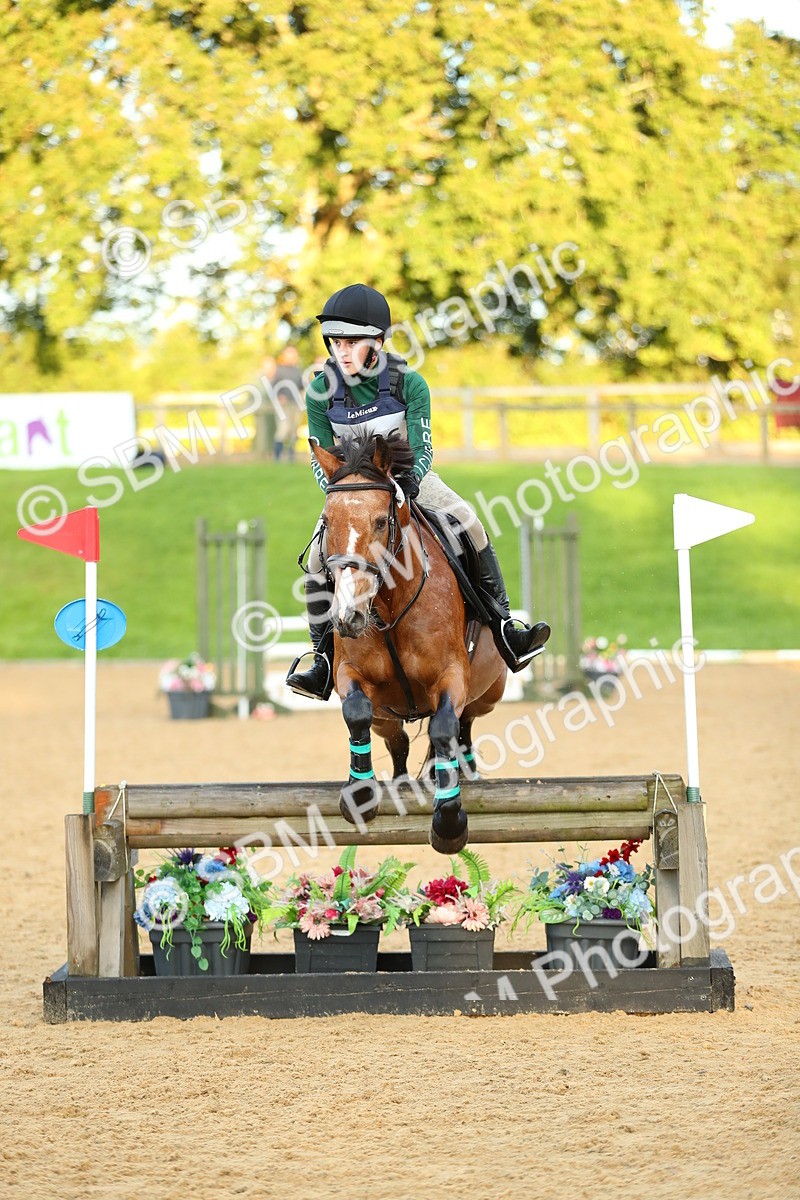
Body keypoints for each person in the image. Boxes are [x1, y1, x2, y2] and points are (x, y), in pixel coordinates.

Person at [286, 283, 550, 700]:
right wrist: (340, 493)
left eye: (352, 342)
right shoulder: (321, 391)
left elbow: (423, 448)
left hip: (412, 480)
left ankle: (503, 627)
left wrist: (404, 485)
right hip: (351, 496)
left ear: (378, 342)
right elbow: (320, 459)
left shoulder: (409, 383)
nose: (342, 351)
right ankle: (321, 657)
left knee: (470, 523)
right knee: (320, 557)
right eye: (336, 342)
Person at [272, 346, 305, 462]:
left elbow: (301, 386)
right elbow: (273, 386)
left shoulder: (297, 370)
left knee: (293, 430)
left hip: (295, 405)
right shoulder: (279, 370)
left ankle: (291, 457)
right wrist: (280, 396)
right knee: (283, 429)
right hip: (283, 406)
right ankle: (277, 457)